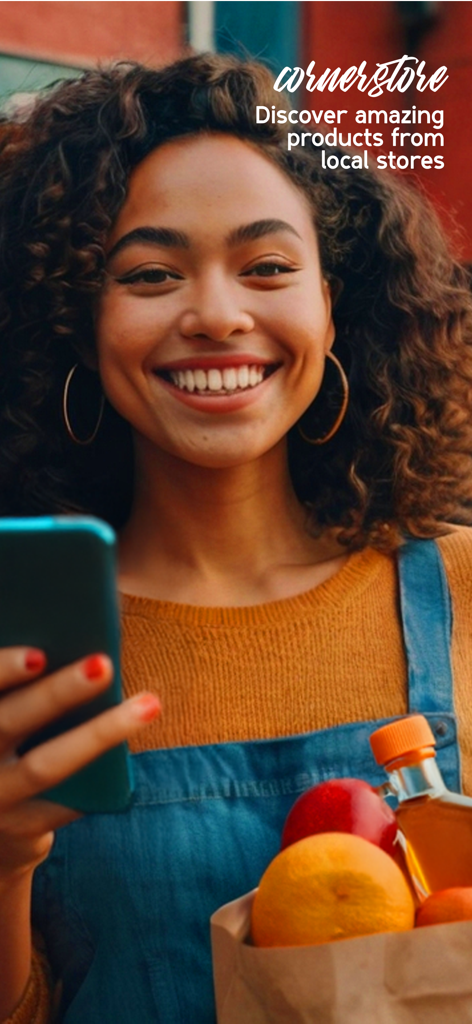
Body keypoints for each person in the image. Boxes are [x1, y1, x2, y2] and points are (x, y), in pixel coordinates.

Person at [1, 52, 472, 1024]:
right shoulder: (23, 636)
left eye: (266, 267)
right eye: (150, 273)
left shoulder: (464, 590)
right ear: (78, 325)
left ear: (334, 306)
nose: (216, 314)